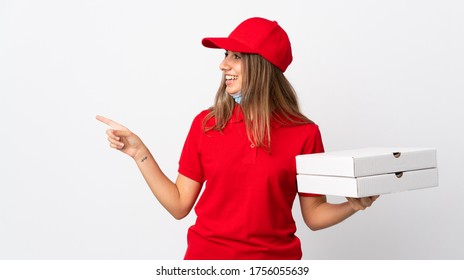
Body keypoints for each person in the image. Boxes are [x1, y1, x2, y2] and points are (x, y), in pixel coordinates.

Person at [96, 17, 378, 260]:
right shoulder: (206, 124)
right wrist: (139, 153)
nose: (223, 65)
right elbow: (179, 204)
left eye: (235, 56)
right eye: (225, 55)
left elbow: (314, 215)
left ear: (262, 66)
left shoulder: (304, 133)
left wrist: (351, 205)